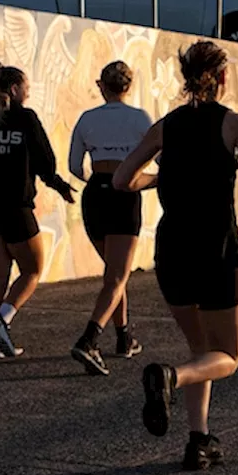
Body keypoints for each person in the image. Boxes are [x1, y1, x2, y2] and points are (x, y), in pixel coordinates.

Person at [112, 40, 238, 471]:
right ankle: (170, 377)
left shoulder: (166, 127)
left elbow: (122, 179)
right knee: (229, 357)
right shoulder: (234, 123)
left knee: (201, 348)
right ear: (220, 77)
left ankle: (198, 441)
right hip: (215, 249)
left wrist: (162, 179)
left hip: (172, 250)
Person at [0, 61, 77, 359]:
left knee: (0, 272)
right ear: (15, 89)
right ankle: (3, 318)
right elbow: (44, 161)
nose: (29, 91)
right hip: (14, 207)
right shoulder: (25, 118)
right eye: (27, 86)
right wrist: (59, 185)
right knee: (33, 269)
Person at [66, 60, 154, 376]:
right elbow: (160, 154)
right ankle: (89, 339)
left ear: (101, 85)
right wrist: (149, 178)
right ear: (128, 86)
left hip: (96, 194)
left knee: (114, 274)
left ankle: (123, 337)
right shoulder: (140, 118)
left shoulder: (88, 119)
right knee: (117, 276)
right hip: (124, 194)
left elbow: (75, 166)